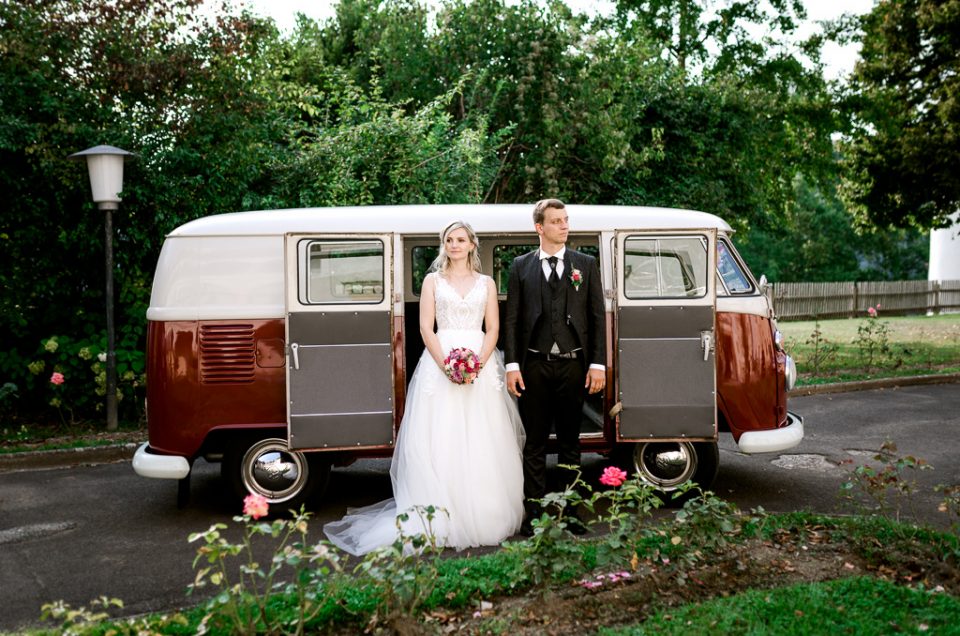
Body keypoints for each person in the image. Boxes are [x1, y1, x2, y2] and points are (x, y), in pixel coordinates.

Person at [324, 221, 525, 555]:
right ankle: (439, 516)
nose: (455, 244)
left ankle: (485, 513)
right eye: (449, 239)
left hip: (480, 361)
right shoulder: (432, 281)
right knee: (440, 437)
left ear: (472, 245)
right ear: (443, 245)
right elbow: (425, 327)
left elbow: (493, 329)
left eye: (461, 239)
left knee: (483, 437)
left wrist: (476, 362)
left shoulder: (487, 283)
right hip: (440, 360)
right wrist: (447, 363)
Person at [504, 199, 606, 536]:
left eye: (566, 220)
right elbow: (514, 319)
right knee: (533, 442)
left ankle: (571, 512)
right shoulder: (520, 266)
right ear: (539, 227)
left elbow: (596, 317)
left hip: (574, 366)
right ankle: (534, 514)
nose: (564, 226)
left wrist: (597, 364)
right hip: (533, 366)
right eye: (556, 221)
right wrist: (512, 365)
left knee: (569, 442)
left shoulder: (585, 264)